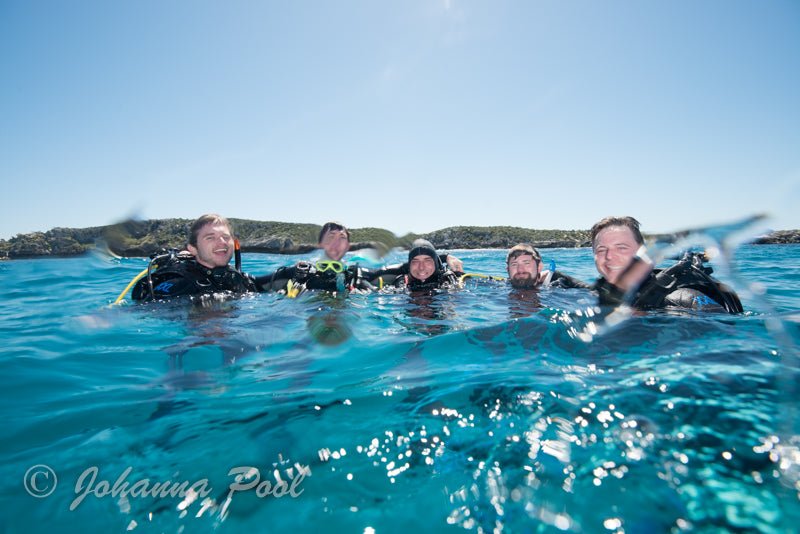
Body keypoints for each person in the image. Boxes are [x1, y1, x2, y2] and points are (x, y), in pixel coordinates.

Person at [590, 216, 743, 313]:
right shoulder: (601, 296)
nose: (610, 256)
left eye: (621, 248)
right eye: (601, 249)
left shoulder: (682, 300)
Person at [131, 214, 260, 301]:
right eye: (210, 237)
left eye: (226, 237)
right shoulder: (180, 284)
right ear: (193, 249)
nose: (222, 242)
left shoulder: (235, 277)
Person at [259, 222, 372, 294]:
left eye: (342, 238)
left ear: (348, 245)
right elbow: (253, 284)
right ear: (320, 243)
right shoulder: (301, 273)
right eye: (331, 237)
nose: (336, 243)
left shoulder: (356, 277)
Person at [369, 239, 463, 291]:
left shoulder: (450, 280)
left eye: (427, 260)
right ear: (409, 265)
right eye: (415, 261)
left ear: (436, 263)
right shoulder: (401, 284)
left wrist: (458, 274)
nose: (421, 267)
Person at [506, 243, 588, 289]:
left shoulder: (558, 285)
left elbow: (592, 291)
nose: (520, 270)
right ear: (508, 269)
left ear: (539, 267)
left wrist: (556, 275)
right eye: (514, 264)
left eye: (526, 263)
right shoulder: (498, 286)